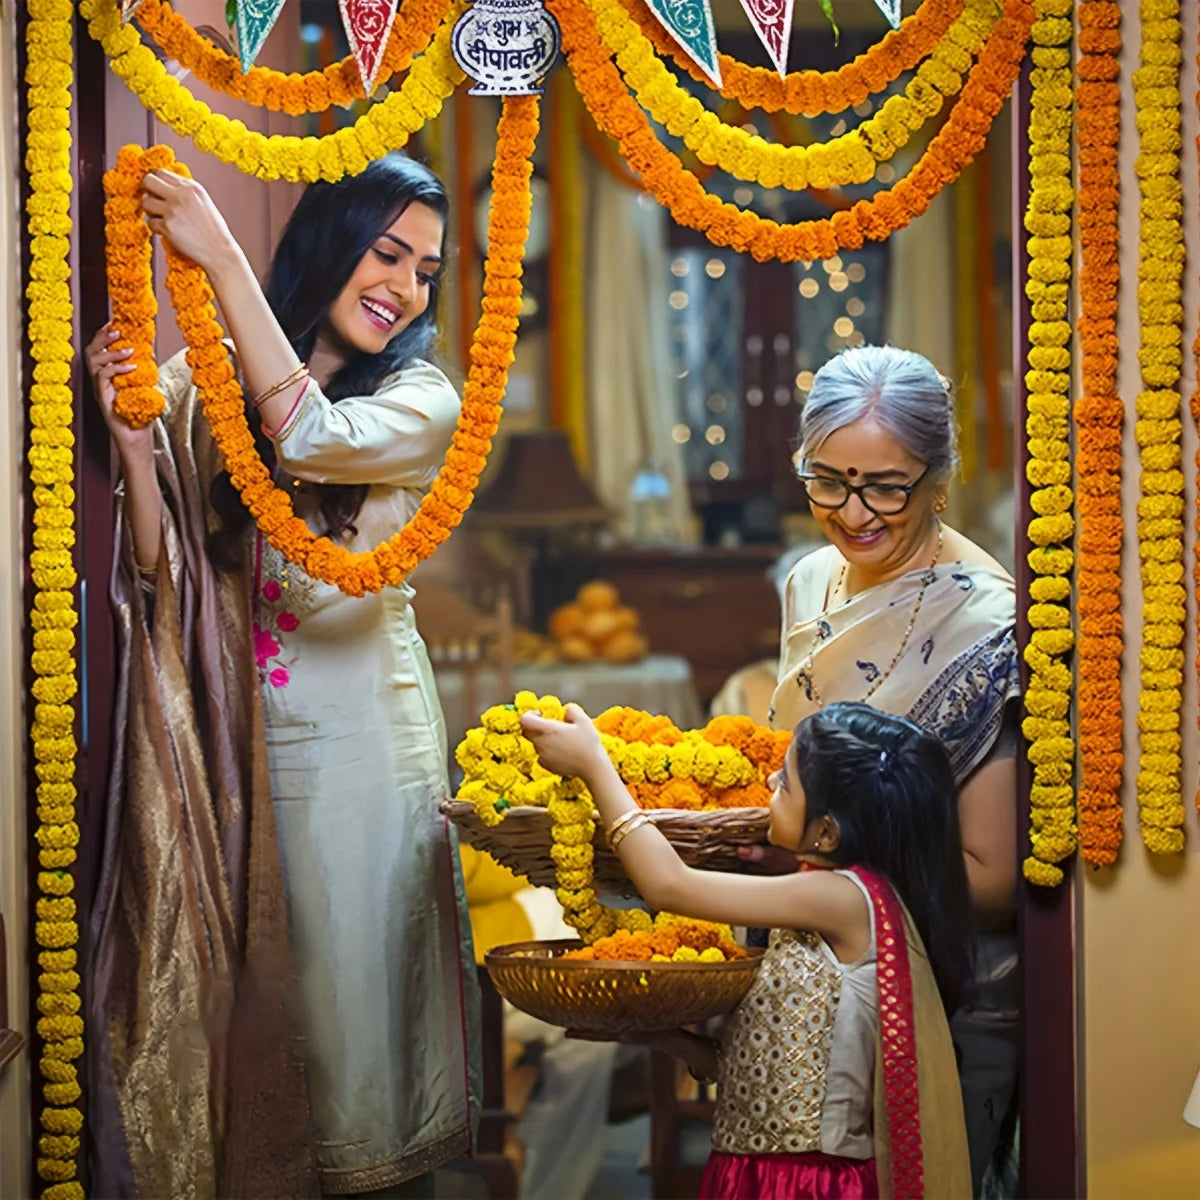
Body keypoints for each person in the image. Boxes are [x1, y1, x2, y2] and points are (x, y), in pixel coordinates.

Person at [85, 153, 480, 1198]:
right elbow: (167, 571)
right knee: (263, 1011)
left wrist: (215, 254)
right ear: (329, 241)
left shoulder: (423, 399)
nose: (404, 286)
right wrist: (135, 449)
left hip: (359, 740)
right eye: (387, 251)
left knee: (354, 1029)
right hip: (237, 731)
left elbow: (307, 433)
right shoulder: (208, 379)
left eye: (428, 269)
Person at [519, 700, 974, 1199]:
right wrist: (666, 1040)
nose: (771, 786)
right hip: (749, 1174)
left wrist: (594, 765)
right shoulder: (814, 893)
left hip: (810, 1185)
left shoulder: (847, 898)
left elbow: (669, 886)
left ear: (826, 832)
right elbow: (772, 1076)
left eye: (787, 783)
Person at [760, 344, 1021, 1195]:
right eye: (827, 480)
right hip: (811, 977)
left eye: (886, 485)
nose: (853, 511)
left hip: (938, 992)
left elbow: (990, 879)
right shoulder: (807, 583)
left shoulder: (987, 619)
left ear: (938, 477)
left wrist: (811, 874)